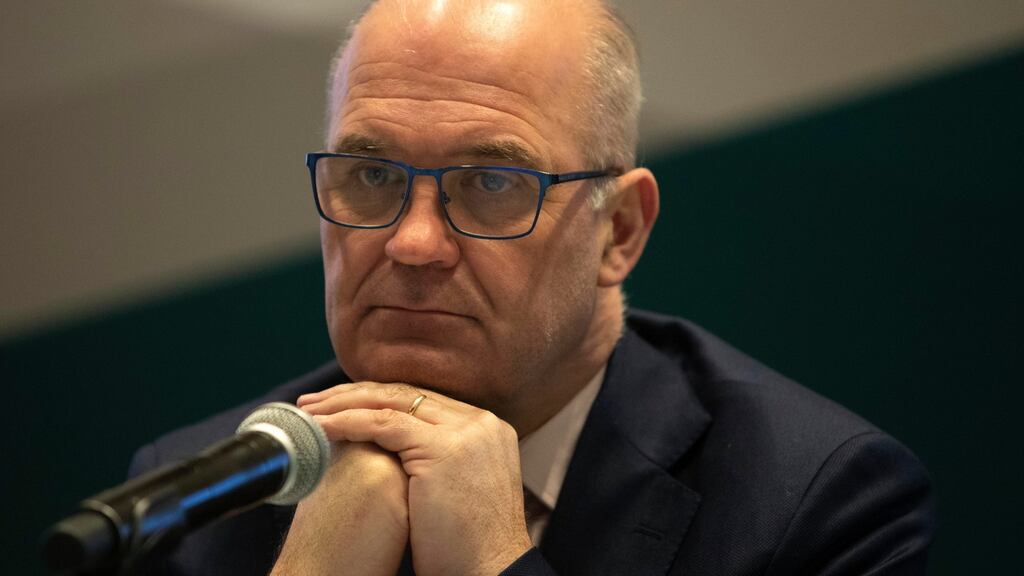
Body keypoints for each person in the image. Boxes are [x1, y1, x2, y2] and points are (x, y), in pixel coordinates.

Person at [128, 0, 936, 574]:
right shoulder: (196, 498)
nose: (410, 243)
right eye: (371, 173)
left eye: (490, 182)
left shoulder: (813, 504)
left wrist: (493, 562)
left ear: (618, 230)